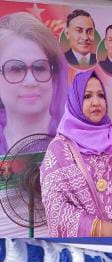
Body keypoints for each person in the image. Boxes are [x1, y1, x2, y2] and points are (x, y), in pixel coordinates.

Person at [41, 69, 112, 238]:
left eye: (101, 96)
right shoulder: (59, 150)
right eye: (87, 96)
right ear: (75, 101)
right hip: (88, 245)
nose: (96, 102)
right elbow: (56, 208)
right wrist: (104, 230)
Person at [0, 12, 67, 156]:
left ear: (54, 75)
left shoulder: (78, 141)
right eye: (15, 69)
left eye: (40, 68)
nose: (31, 82)